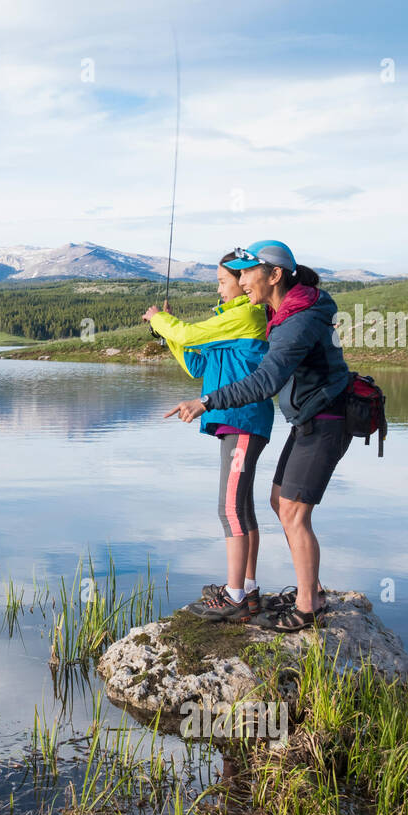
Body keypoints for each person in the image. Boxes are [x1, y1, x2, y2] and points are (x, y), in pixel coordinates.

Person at [164, 240, 352, 631]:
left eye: (248, 272)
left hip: (327, 418)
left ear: (275, 275)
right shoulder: (285, 310)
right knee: (277, 501)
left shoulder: (297, 320)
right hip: (310, 419)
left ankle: (307, 607)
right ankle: (309, 590)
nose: (242, 280)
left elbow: (265, 381)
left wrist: (207, 401)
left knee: (294, 512)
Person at [143, 254, 271, 623]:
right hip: (236, 422)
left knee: (229, 508)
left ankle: (234, 597)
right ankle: (246, 589)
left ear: (241, 281)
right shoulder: (228, 322)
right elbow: (196, 363)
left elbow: (186, 333)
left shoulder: (244, 314)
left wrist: (160, 320)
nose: (220, 288)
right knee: (241, 507)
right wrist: (165, 333)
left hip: (243, 420)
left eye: (222, 281)